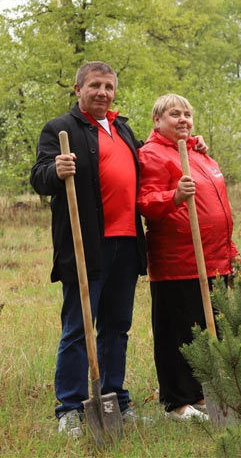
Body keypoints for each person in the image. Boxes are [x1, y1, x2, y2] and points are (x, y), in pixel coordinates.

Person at [30, 61, 148, 436]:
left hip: (127, 242)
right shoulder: (60, 128)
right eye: (95, 85)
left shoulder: (123, 129)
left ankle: (115, 400)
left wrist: (192, 144)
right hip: (86, 246)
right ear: (78, 89)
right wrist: (56, 169)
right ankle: (70, 407)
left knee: (117, 326)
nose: (102, 92)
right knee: (79, 328)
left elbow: (154, 160)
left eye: (109, 86)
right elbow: (39, 178)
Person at [136, 94, 239, 421]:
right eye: (174, 114)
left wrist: (230, 251)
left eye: (187, 115)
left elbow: (218, 208)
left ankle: (200, 395)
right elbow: (144, 201)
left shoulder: (199, 154)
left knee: (207, 331)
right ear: (157, 121)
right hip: (178, 261)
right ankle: (177, 402)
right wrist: (174, 195)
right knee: (178, 333)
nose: (183, 120)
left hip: (214, 259)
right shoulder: (151, 155)